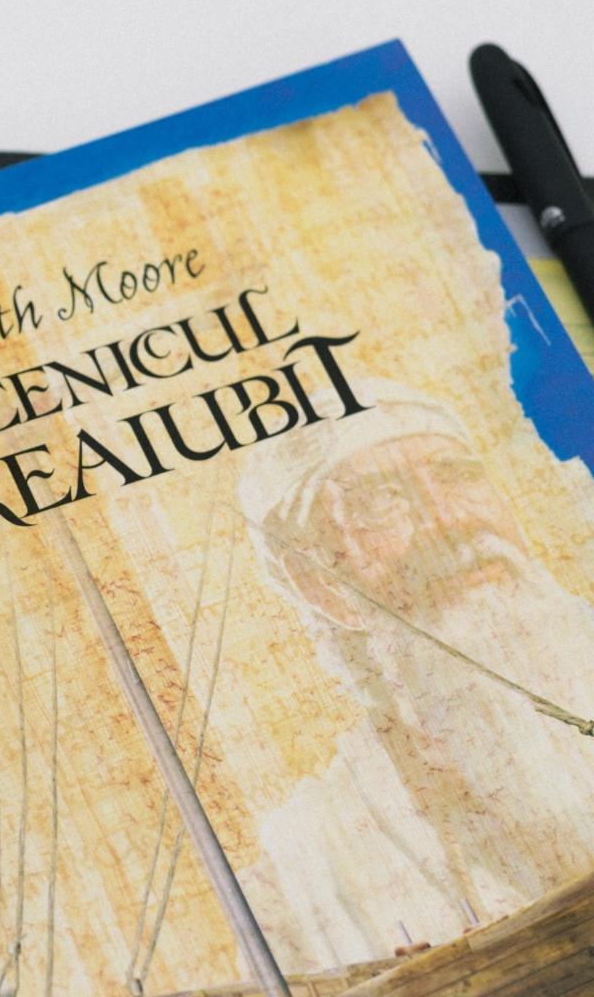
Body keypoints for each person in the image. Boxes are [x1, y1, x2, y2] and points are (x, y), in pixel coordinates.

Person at [235, 380, 594, 967]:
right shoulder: (303, 869)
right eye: (383, 500)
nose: (449, 521)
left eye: (458, 476)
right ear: (318, 582)